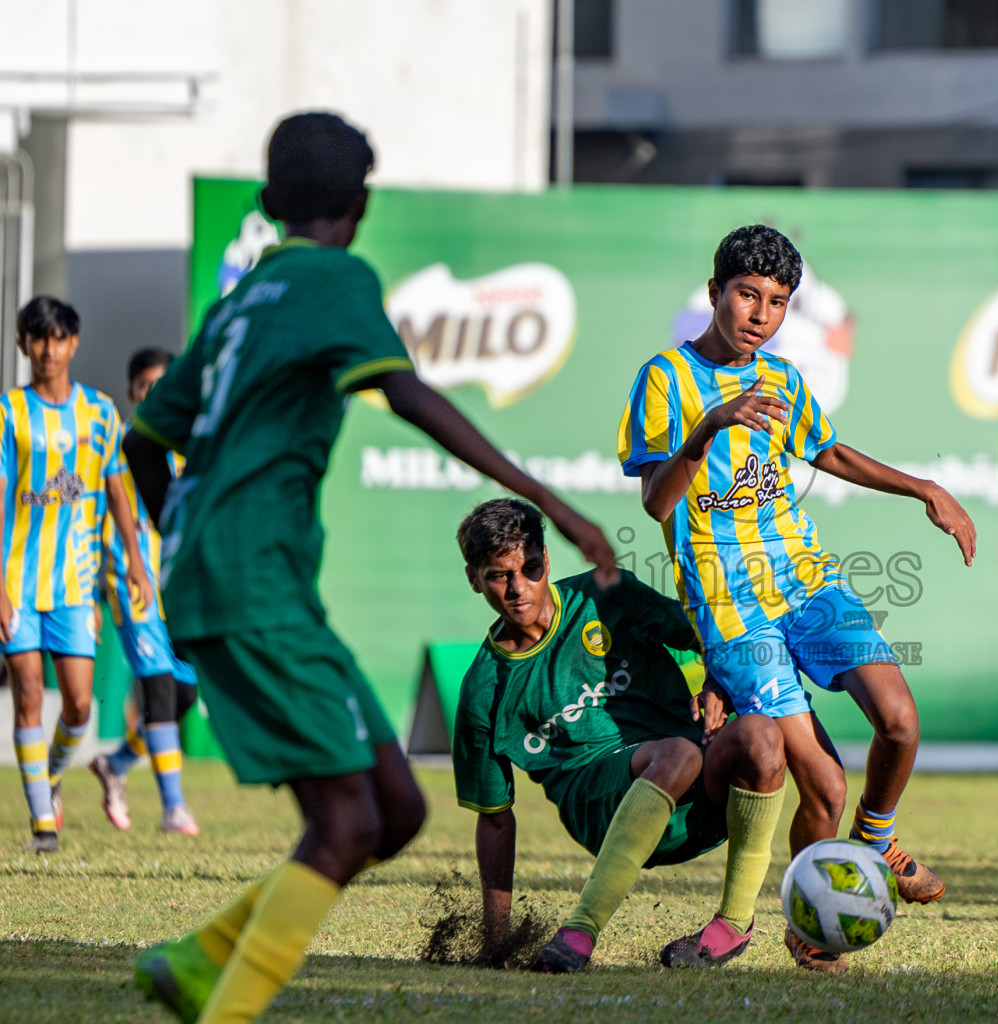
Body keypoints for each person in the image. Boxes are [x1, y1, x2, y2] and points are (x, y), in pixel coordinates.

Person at [124, 111, 615, 1024]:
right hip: (255, 582)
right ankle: (218, 1000)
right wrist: (551, 502)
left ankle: (199, 961)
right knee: (349, 822)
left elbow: (143, 445)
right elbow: (409, 394)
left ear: (269, 203)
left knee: (395, 808)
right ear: (362, 203)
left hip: (235, 578)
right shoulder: (335, 277)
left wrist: (183, 539)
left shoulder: (241, 300)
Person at [618, 224, 976, 972]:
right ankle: (808, 928)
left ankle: (874, 844)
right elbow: (657, 502)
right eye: (747, 295)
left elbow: (831, 451)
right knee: (824, 781)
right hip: (730, 606)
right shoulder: (664, 379)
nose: (760, 314)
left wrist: (925, 488)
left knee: (901, 722)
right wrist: (708, 427)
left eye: (777, 302)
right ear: (715, 292)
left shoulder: (781, 378)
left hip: (807, 582)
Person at [453, 498, 789, 972]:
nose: (518, 588)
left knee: (763, 737)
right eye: (498, 575)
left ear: (547, 560)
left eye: (530, 568)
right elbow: (494, 819)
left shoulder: (606, 596)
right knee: (678, 753)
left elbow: (713, 636)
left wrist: (716, 684)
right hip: (599, 810)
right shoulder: (483, 690)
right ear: (474, 579)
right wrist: (496, 942)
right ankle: (580, 931)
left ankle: (733, 924)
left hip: (694, 798)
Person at [2, 296, 152, 854]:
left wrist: (135, 560)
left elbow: (117, 491)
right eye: (37, 338)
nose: (48, 348)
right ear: (23, 346)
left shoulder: (100, 413)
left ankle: (52, 775)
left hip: (72, 585)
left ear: (74, 343)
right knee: (28, 695)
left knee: (81, 706)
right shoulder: (7, 413)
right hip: (17, 580)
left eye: (58, 337)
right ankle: (43, 821)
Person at [91, 347, 201, 835]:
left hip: (177, 588)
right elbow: (92, 517)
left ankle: (115, 765)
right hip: (130, 583)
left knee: (179, 696)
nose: (153, 394)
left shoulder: (187, 448)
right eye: (145, 386)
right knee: (157, 685)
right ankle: (174, 808)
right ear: (133, 391)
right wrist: (91, 587)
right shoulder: (115, 449)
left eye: (163, 385)